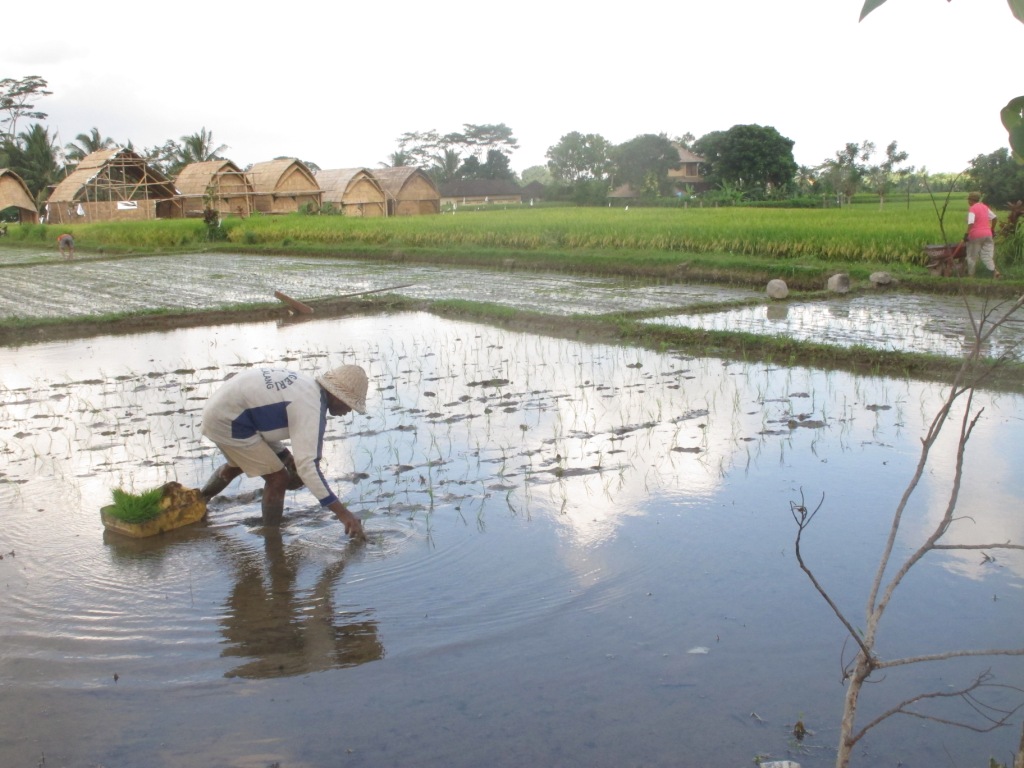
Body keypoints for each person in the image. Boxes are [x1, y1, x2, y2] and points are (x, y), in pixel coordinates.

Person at [199, 364, 369, 540]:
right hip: (229, 420)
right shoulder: (312, 405)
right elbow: (308, 467)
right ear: (337, 396)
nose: (349, 411)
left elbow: (298, 460)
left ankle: (201, 500)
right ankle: (272, 536)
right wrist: (343, 514)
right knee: (278, 478)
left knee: (244, 462)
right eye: (349, 404)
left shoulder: (308, 387)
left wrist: (292, 462)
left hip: (227, 412)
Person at [964, 192, 1001, 279]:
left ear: (971, 200)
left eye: (968, 199)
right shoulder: (984, 207)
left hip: (975, 235)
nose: (968, 201)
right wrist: (992, 229)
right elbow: (995, 218)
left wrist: (966, 234)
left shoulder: (972, 208)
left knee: (971, 256)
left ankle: (971, 276)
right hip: (988, 234)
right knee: (987, 255)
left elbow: (971, 222)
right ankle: (995, 272)